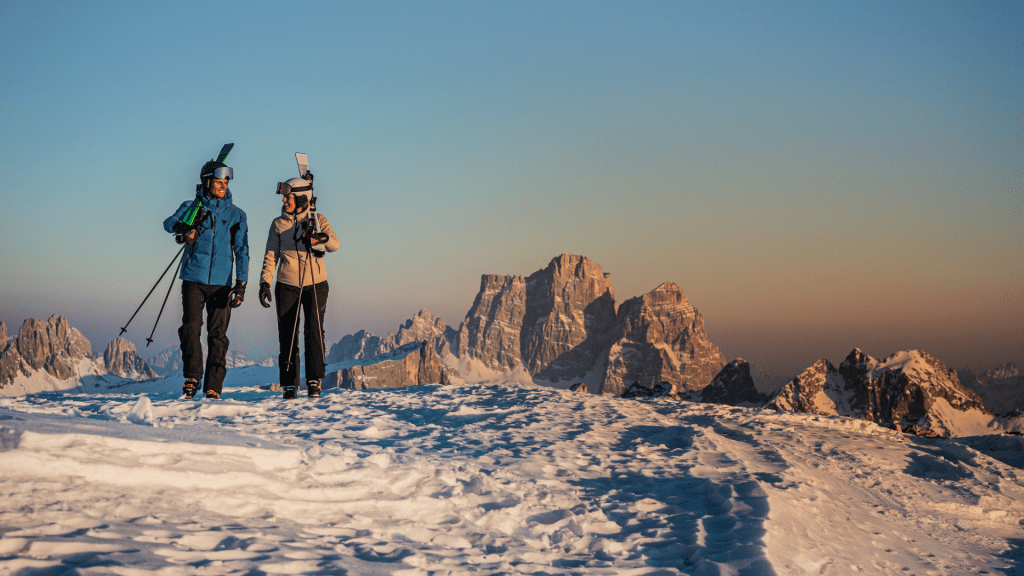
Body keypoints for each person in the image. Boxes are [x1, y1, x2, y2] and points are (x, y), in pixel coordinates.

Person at [163, 158, 249, 399]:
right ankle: (192, 377)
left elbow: (242, 251)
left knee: (217, 335)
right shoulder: (191, 206)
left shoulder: (237, 215)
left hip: (222, 283)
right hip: (193, 278)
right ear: (207, 181)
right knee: (190, 328)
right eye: (218, 181)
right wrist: (183, 228)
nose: (223, 185)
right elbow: (168, 223)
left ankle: (213, 386)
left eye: (225, 182)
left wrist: (241, 284)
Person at [259, 176, 340, 399]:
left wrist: (318, 237)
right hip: (287, 285)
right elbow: (270, 256)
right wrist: (264, 282)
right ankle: (289, 383)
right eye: (285, 197)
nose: (285, 200)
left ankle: (314, 379)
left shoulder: (318, 219)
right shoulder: (278, 223)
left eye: (289, 197)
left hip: (315, 282)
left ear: (302, 198)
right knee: (287, 334)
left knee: (314, 330)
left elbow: (334, 244)